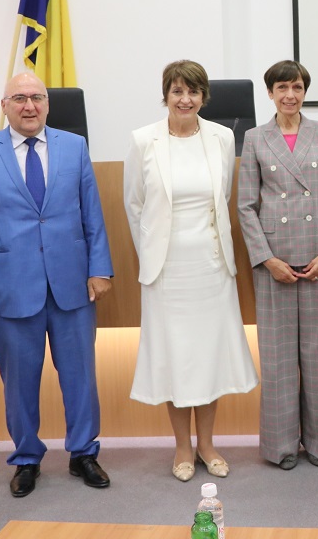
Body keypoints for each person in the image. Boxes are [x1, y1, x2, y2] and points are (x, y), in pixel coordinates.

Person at [0, 72, 114, 497]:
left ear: (47, 103)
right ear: (4, 105)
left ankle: (84, 453)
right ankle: (26, 458)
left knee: (81, 377)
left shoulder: (74, 146)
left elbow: (92, 214)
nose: (29, 106)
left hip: (72, 284)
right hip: (10, 288)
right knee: (19, 382)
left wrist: (99, 269)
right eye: (20, 98)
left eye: (37, 98)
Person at [124, 60, 258, 482]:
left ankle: (208, 444)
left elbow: (223, 199)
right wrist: (150, 257)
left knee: (208, 358)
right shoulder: (143, 140)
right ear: (165, 95)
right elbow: (134, 205)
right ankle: (182, 446)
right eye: (177, 91)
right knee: (175, 358)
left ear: (204, 97)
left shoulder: (221, 137)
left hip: (211, 266)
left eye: (193, 92)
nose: (185, 99)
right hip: (166, 271)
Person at [237, 60, 318, 469]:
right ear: (270, 93)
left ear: (304, 91)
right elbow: (246, 206)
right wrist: (266, 259)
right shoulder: (255, 137)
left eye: (297, 87)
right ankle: (281, 447)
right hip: (274, 262)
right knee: (279, 360)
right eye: (282, 87)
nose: (290, 95)